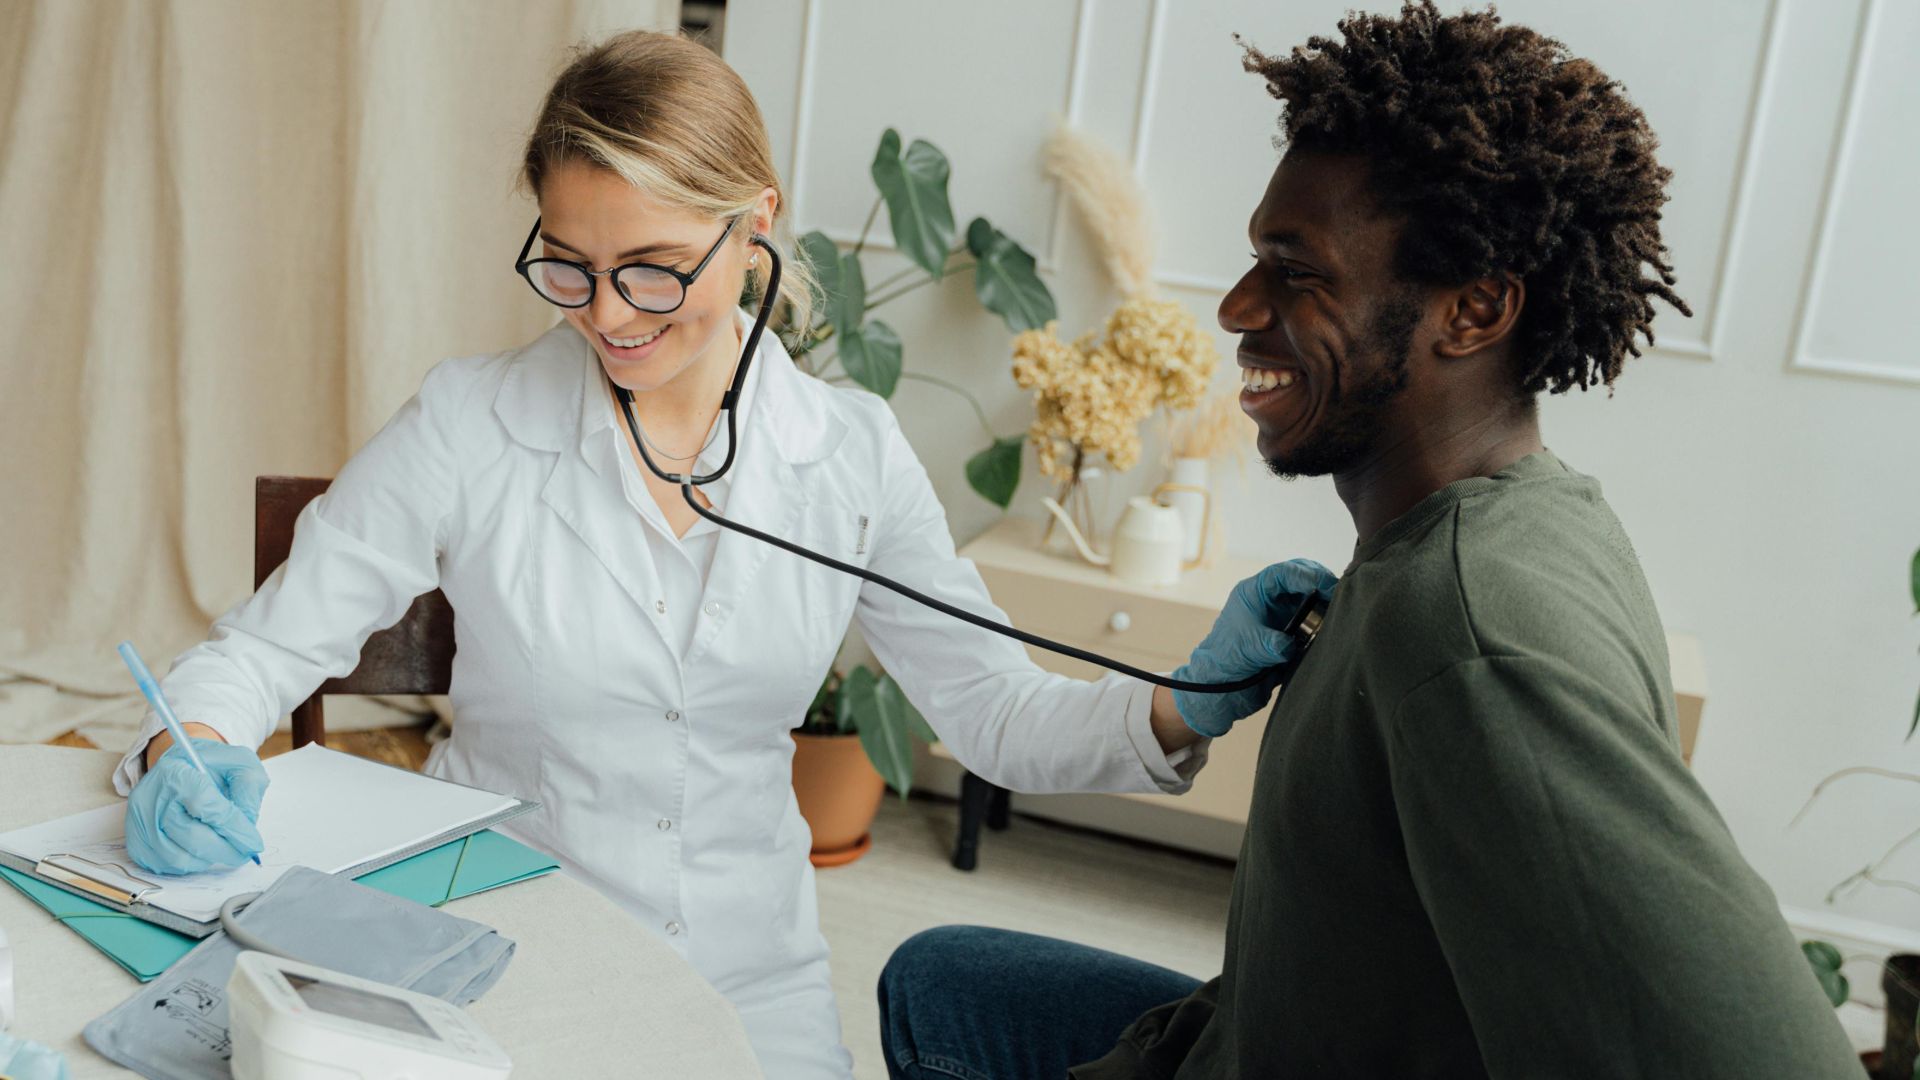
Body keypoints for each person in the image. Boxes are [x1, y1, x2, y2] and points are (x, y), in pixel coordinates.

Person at [108, 30, 1325, 1079]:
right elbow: (265, 647)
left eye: (651, 267)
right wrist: (191, 744)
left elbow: (994, 713)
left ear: (756, 229)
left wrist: (1181, 705)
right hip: (490, 941)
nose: (607, 314)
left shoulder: (845, 454)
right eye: (568, 266)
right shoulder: (470, 421)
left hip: (754, 974)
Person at [876, 4, 1863, 1078]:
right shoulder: (1527, 517)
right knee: (941, 984)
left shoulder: (1473, 633)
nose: (1240, 306)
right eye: (1258, 258)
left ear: (1473, 309)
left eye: (1297, 271)